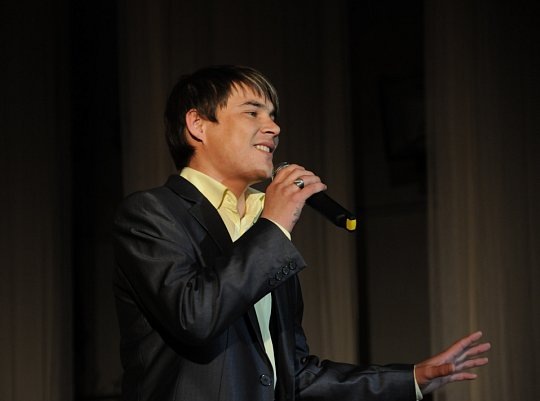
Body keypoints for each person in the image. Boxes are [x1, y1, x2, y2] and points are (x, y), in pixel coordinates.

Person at [112, 65, 490, 401]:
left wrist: (411, 379)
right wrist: (274, 226)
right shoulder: (153, 213)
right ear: (198, 125)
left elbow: (294, 375)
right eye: (252, 112)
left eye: (273, 116)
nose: (274, 128)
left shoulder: (264, 230)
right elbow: (194, 316)